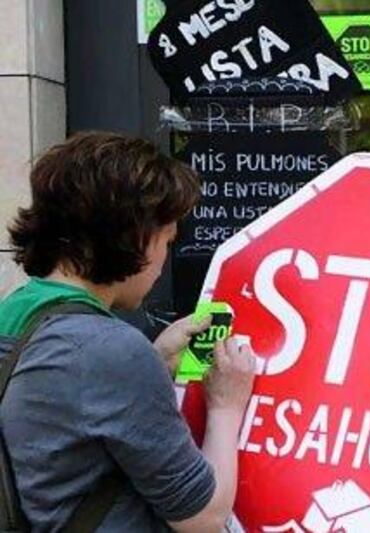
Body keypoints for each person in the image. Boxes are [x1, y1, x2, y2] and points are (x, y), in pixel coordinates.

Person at [0, 132, 255, 532]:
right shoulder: (110, 349)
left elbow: (57, 421)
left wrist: (154, 361)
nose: (162, 261)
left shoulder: (17, 312)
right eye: (167, 240)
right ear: (134, 236)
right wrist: (226, 406)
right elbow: (203, 516)